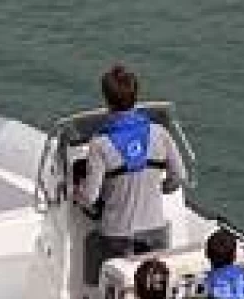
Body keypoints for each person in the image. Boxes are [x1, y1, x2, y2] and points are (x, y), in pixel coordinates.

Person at [75, 64, 188, 284]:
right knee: (153, 285)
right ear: (136, 96)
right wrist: (162, 188)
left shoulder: (100, 144)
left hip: (117, 233)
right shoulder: (159, 133)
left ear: (107, 100)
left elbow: (90, 198)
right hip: (155, 228)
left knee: (108, 282)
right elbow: (179, 176)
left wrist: (77, 192)